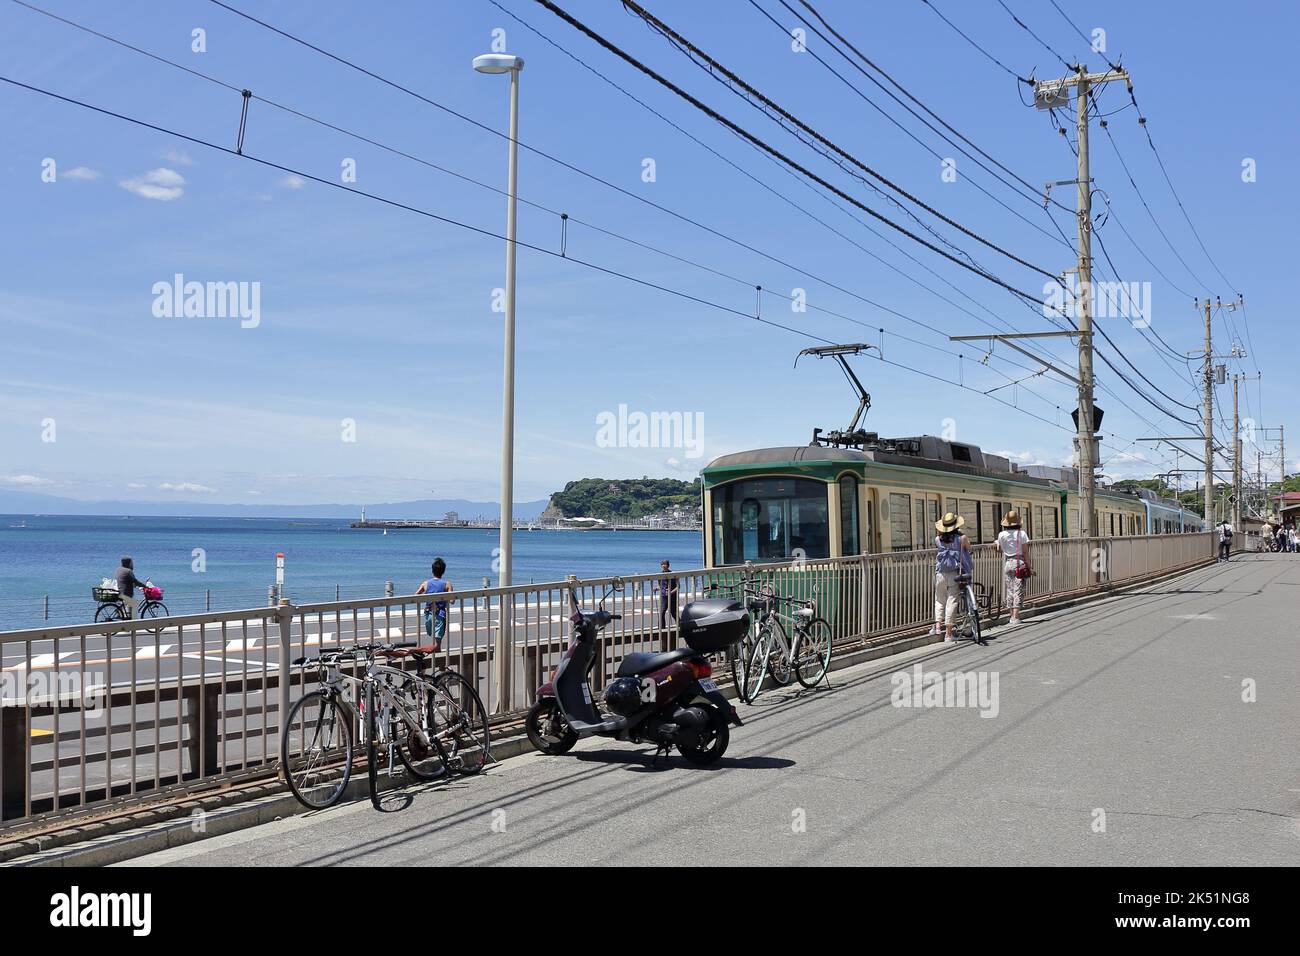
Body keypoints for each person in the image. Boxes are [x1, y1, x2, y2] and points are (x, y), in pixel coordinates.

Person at [932, 512, 973, 642]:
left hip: (940, 574)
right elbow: (969, 549)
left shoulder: (937, 540)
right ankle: (948, 634)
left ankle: (938, 626)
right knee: (952, 601)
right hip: (955, 573)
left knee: (939, 599)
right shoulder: (962, 538)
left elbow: (942, 540)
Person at [996, 511, 1031, 626]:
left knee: (1010, 589)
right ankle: (1016, 617)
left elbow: (1000, 549)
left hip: (1007, 563)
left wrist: (996, 543)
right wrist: (1029, 565)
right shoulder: (1022, 534)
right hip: (1019, 562)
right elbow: (1025, 551)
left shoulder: (1001, 535)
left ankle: (1011, 615)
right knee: (1018, 589)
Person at [415, 557, 453, 650]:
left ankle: (431, 654)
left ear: (432, 571)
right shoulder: (447, 584)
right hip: (440, 614)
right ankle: (431, 653)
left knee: (432, 635)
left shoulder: (426, 583)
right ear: (443, 571)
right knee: (438, 642)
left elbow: (416, 595)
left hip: (428, 614)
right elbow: (452, 601)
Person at [656, 559, 679, 629]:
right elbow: (660, 586)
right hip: (663, 596)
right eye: (662, 564)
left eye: (665, 564)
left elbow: (678, 587)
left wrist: (671, 592)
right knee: (662, 612)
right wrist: (656, 588)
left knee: (673, 613)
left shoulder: (673, 575)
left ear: (668, 565)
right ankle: (661, 628)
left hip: (672, 597)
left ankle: (680, 624)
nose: (663, 566)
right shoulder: (660, 575)